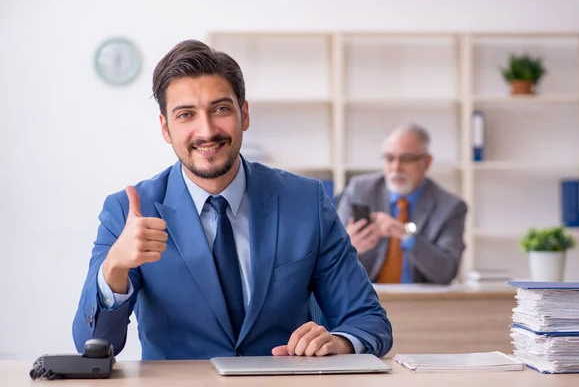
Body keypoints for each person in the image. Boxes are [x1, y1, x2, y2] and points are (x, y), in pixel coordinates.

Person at [72, 40, 392, 360]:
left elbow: (369, 320)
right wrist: (115, 265)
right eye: (186, 115)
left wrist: (339, 342)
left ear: (244, 114)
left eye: (220, 109)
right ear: (166, 128)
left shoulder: (306, 202)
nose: (207, 130)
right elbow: (95, 345)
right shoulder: (128, 212)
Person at [337, 124, 467, 285]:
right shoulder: (360, 191)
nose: (396, 167)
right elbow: (328, 262)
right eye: (389, 158)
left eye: (406, 159)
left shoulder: (450, 206)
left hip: (422, 304)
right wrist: (347, 248)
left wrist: (404, 234)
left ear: (427, 162)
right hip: (366, 299)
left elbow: (446, 272)